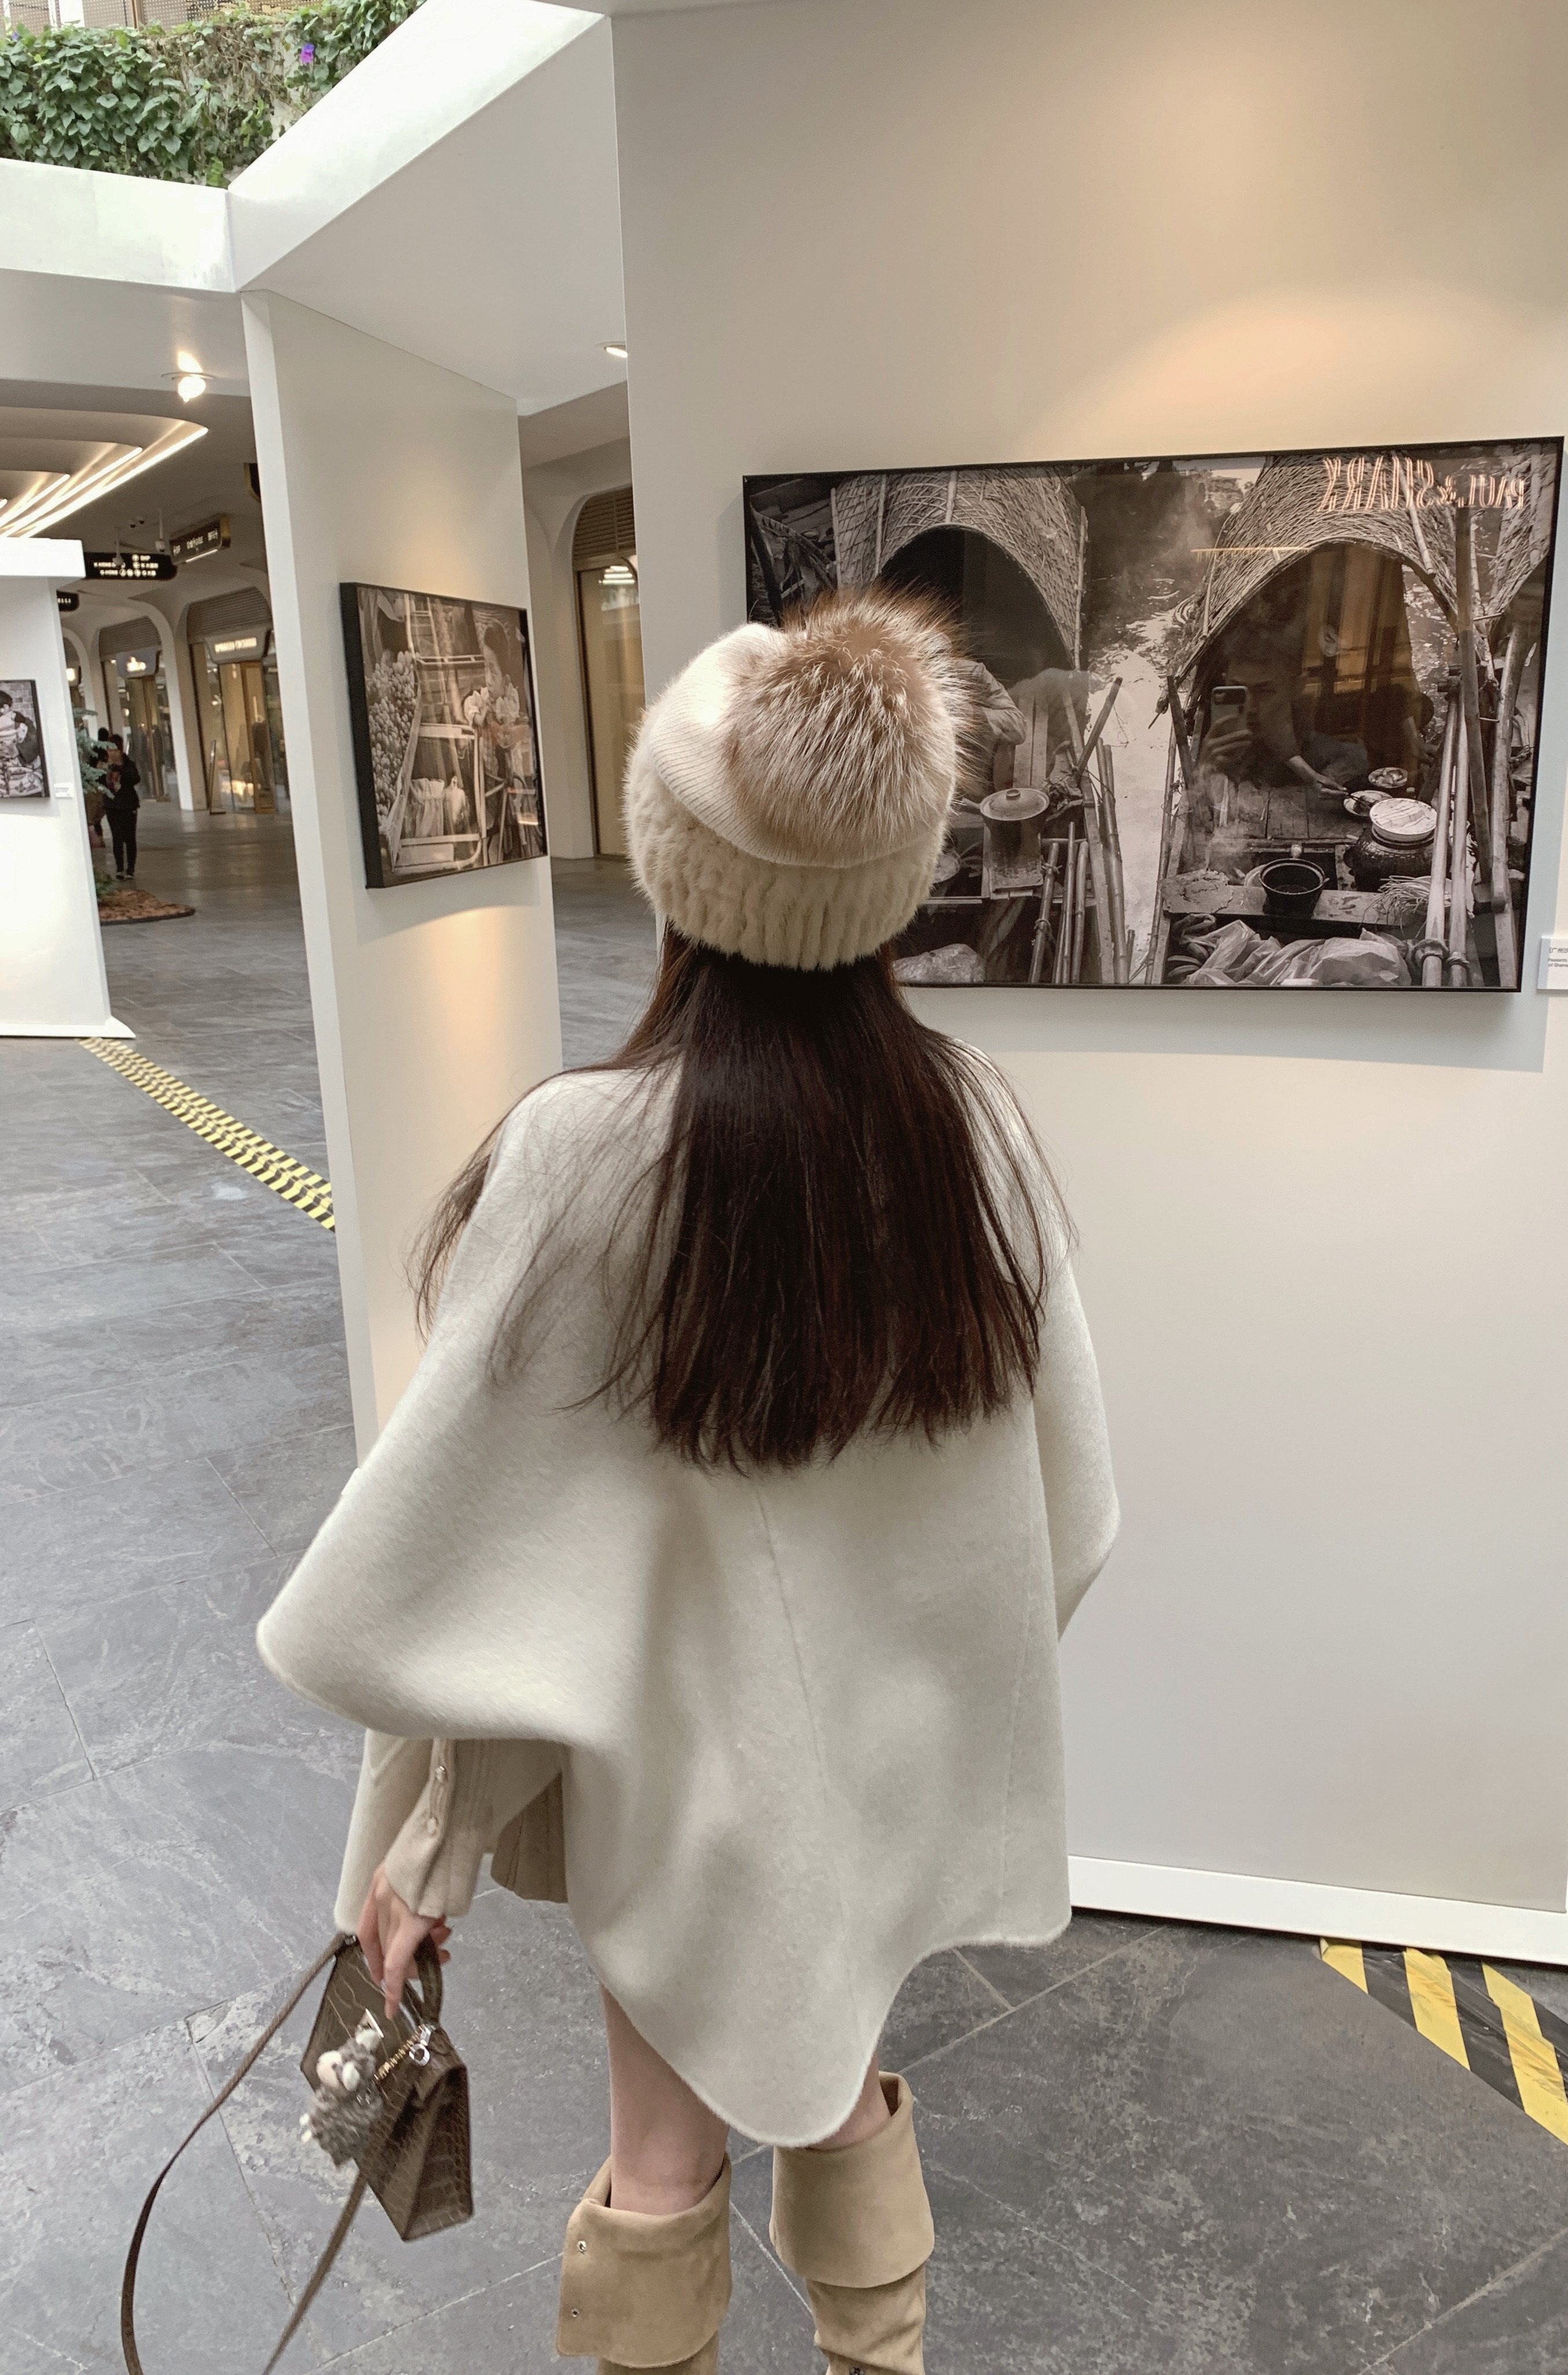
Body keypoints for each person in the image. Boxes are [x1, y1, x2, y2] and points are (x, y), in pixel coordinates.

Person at [258, 588, 1118, 2375]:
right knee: (844, 2081)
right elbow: (1064, 1506)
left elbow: (476, 1558)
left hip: (677, 1783)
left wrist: (425, 1846)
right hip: (879, 1770)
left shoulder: (583, 1155)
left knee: (661, 2154)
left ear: (679, 878)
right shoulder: (970, 1123)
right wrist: (911, 1676)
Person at [101, 732, 142, 877]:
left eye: (115, 750)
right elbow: (99, 782)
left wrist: (120, 769)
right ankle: (120, 869)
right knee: (117, 837)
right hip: (112, 806)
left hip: (128, 805)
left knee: (130, 838)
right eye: (110, 750)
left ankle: (131, 869)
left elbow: (135, 779)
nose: (112, 753)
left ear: (121, 751)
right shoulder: (104, 766)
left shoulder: (128, 764)